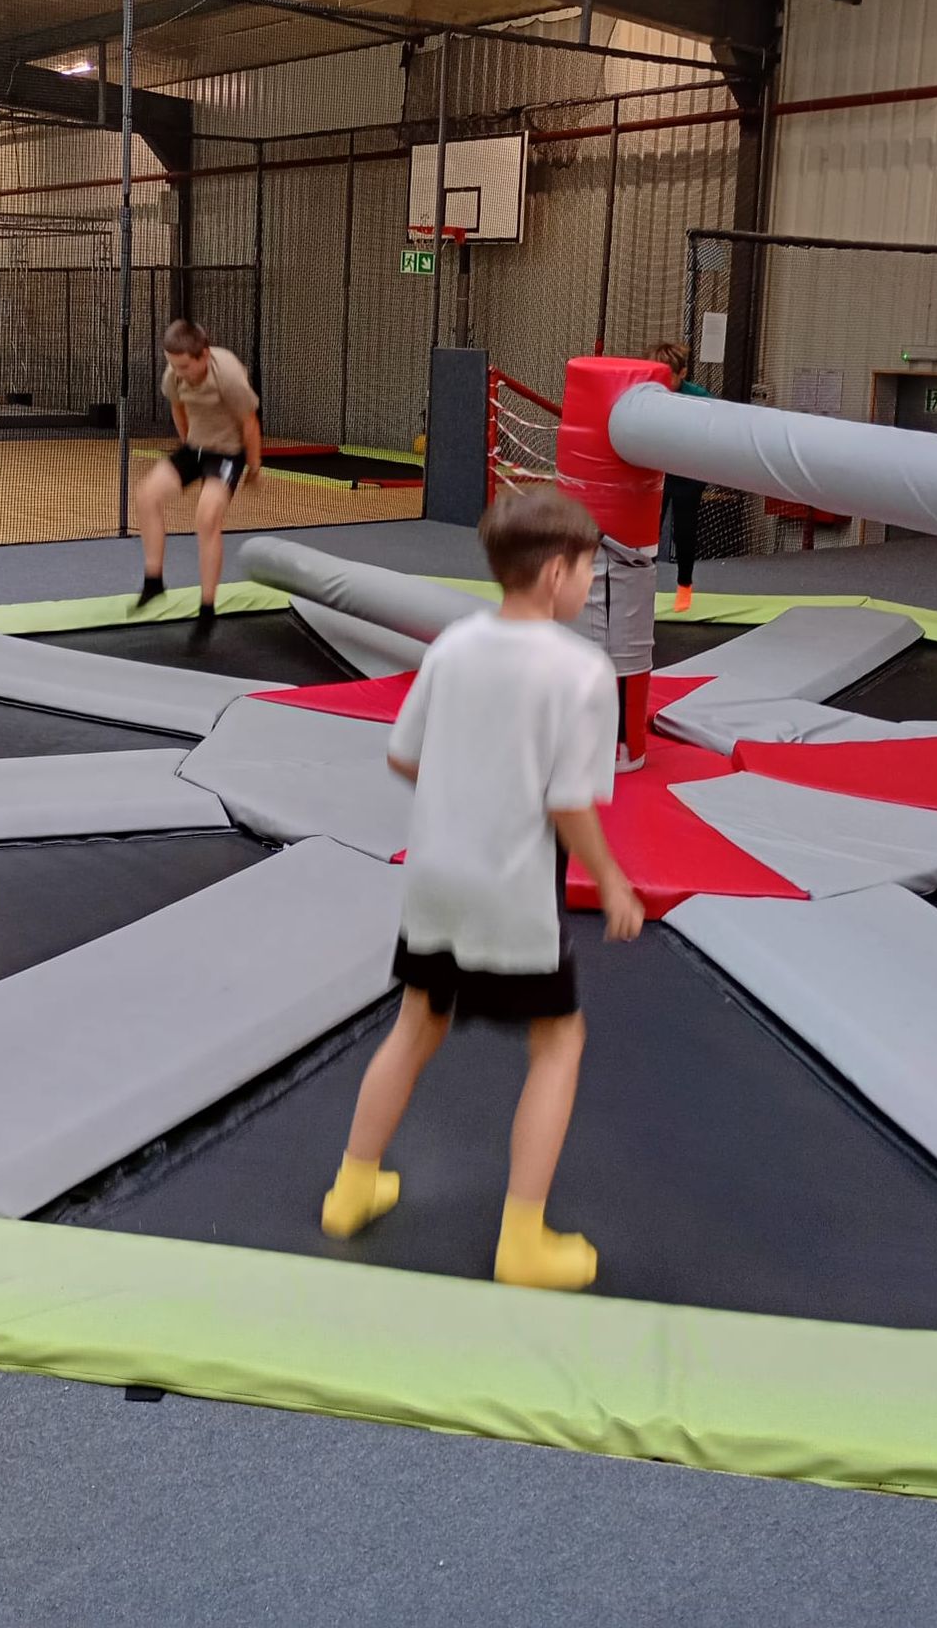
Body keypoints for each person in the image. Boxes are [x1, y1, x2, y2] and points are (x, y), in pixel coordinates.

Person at [320, 488, 645, 1292]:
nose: (589, 585)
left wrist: (466, 793)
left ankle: (351, 1188)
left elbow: (404, 755)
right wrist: (612, 882)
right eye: (588, 570)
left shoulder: (455, 644)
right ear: (558, 572)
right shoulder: (583, 670)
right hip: (511, 889)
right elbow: (568, 803)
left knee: (416, 1024)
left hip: (436, 877)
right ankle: (522, 1241)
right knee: (558, 1041)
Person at [135, 319, 262, 630]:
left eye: (184, 366)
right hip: (196, 447)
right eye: (173, 365)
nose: (178, 372)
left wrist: (254, 465)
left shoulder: (228, 375)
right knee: (146, 495)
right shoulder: (174, 375)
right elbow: (177, 407)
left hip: (228, 453)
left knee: (206, 518)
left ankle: (207, 608)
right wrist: (187, 445)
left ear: (204, 355)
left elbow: (249, 421)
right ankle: (154, 581)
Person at [652, 341, 714, 613]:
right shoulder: (648, 393)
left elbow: (715, 425)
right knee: (649, 532)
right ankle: (642, 586)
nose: (663, 384)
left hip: (688, 472)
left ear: (682, 373)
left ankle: (684, 586)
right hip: (658, 471)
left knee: (684, 531)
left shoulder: (698, 397)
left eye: (668, 378)